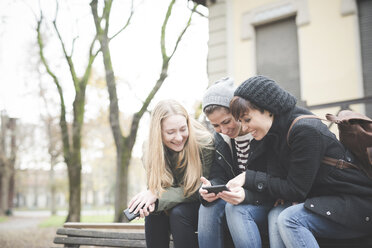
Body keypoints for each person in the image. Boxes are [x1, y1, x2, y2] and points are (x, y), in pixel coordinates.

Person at [227, 75, 372, 248]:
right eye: (241, 122)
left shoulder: (305, 131)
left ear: (268, 110)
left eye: (247, 120)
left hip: (355, 206)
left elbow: (294, 190)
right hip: (324, 200)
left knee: (290, 219)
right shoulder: (271, 133)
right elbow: (274, 183)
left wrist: (248, 177)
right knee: (276, 215)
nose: (244, 128)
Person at [198, 77, 275, 248]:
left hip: (264, 201)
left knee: (234, 210)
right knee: (207, 207)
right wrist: (210, 187)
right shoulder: (220, 139)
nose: (224, 130)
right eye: (216, 125)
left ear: (238, 111)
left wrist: (246, 195)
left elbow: (274, 180)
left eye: (226, 121)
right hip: (235, 198)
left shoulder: (260, 133)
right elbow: (219, 176)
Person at [127, 99, 214, 248]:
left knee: (178, 213)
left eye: (183, 129)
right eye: (170, 132)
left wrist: (158, 196)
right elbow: (157, 188)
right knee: (154, 213)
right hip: (173, 205)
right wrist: (148, 202)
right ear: (158, 132)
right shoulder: (149, 149)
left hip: (200, 204)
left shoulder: (204, 143)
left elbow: (201, 189)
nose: (179, 137)